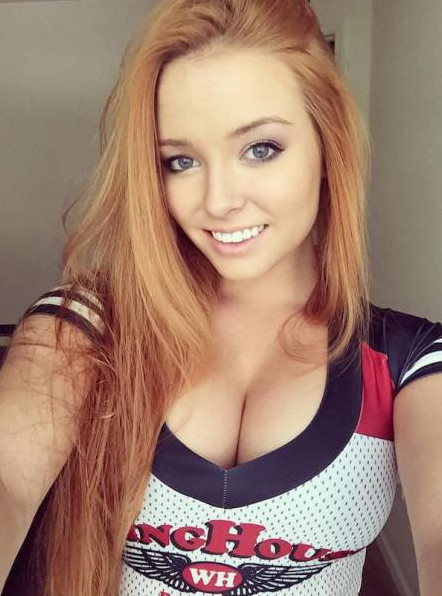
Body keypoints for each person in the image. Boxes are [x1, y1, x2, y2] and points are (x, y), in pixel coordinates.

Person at [1, 0, 441, 594]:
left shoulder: (408, 362)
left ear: (327, 144)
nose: (217, 201)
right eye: (180, 161)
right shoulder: (90, 328)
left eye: (260, 149)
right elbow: (8, 479)